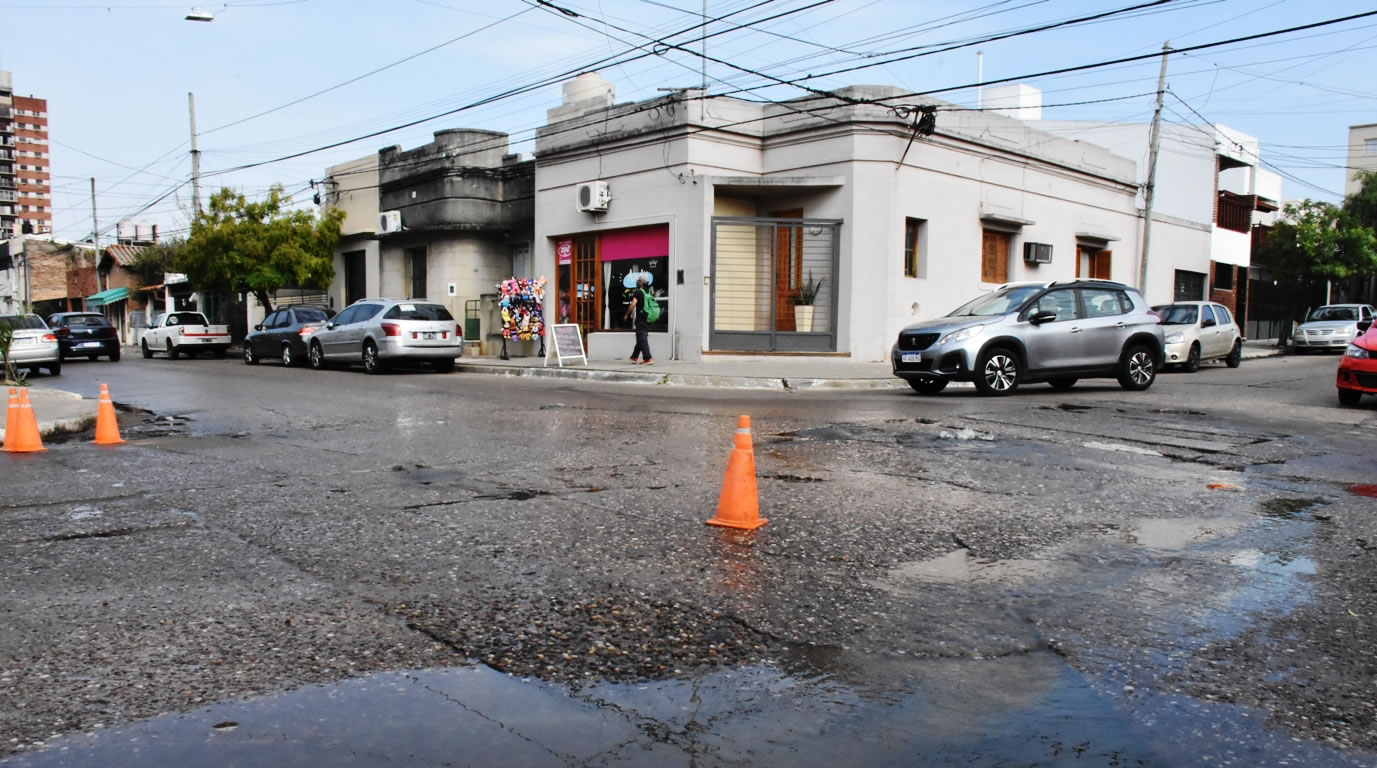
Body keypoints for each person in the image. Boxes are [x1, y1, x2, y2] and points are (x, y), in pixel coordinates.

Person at [624, 275, 654, 365]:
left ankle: (648, 358)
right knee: (640, 337)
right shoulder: (649, 291)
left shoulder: (638, 292)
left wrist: (626, 314)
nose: (637, 282)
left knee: (642, 338)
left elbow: (633, 304)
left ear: (641, 282)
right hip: (648, 317)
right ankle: (634, 356)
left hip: (641, 319)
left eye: (638, 281)